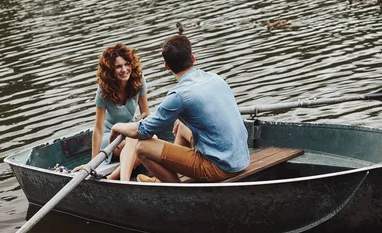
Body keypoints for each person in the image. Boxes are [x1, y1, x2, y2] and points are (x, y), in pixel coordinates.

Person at [109, 35, 250, 183]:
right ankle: (160, 178)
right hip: (241, 159)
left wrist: (117, 127)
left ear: (167, 66)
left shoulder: (179, 95)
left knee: (143, 147)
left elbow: (142, 131)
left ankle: (176, 188)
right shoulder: (215, 78)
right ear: (193, 58)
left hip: (219, 168)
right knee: (181, 125)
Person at [73, 43, 150, 181]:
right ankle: (125, 181)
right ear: (110, 70)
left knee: (151, 143)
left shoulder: (138, 80)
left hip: (131, 131)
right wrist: (92, 164)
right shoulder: (103, 90)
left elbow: (146, 114)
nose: (125, 69)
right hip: (111, 138)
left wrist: (135, 126)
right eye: (118, 66)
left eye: (127, 64)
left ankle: (112, 178)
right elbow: (98, 128)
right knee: (135, 142)